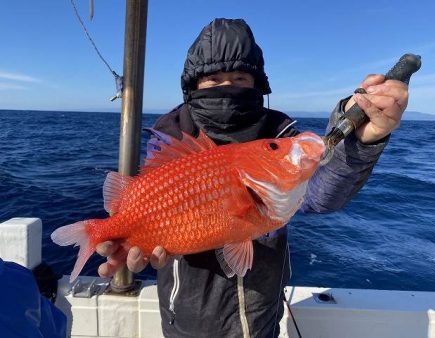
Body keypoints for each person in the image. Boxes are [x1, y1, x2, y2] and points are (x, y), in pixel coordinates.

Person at [96, 18, 409, 337]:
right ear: (193, 85)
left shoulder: (279, 133)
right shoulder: (173, 135)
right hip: (183, 319)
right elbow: (155, 203)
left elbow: (319, 191)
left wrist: (359, 137)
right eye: (213, 79)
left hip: (259, 318)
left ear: (257, 83)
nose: (226, 87)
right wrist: (127, 234)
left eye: (239, 77)